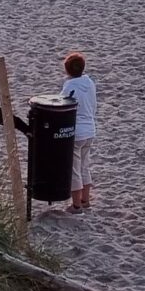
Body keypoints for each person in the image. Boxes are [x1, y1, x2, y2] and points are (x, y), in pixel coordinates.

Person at [60, 52, 98, 212]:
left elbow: (63, 105)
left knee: (74, 169)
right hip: (90, 129)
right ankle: (85, 200)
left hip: (77, 132)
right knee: (84, 165)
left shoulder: (70, 86)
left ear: (67, 70)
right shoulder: (89, 82)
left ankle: (76, 205)